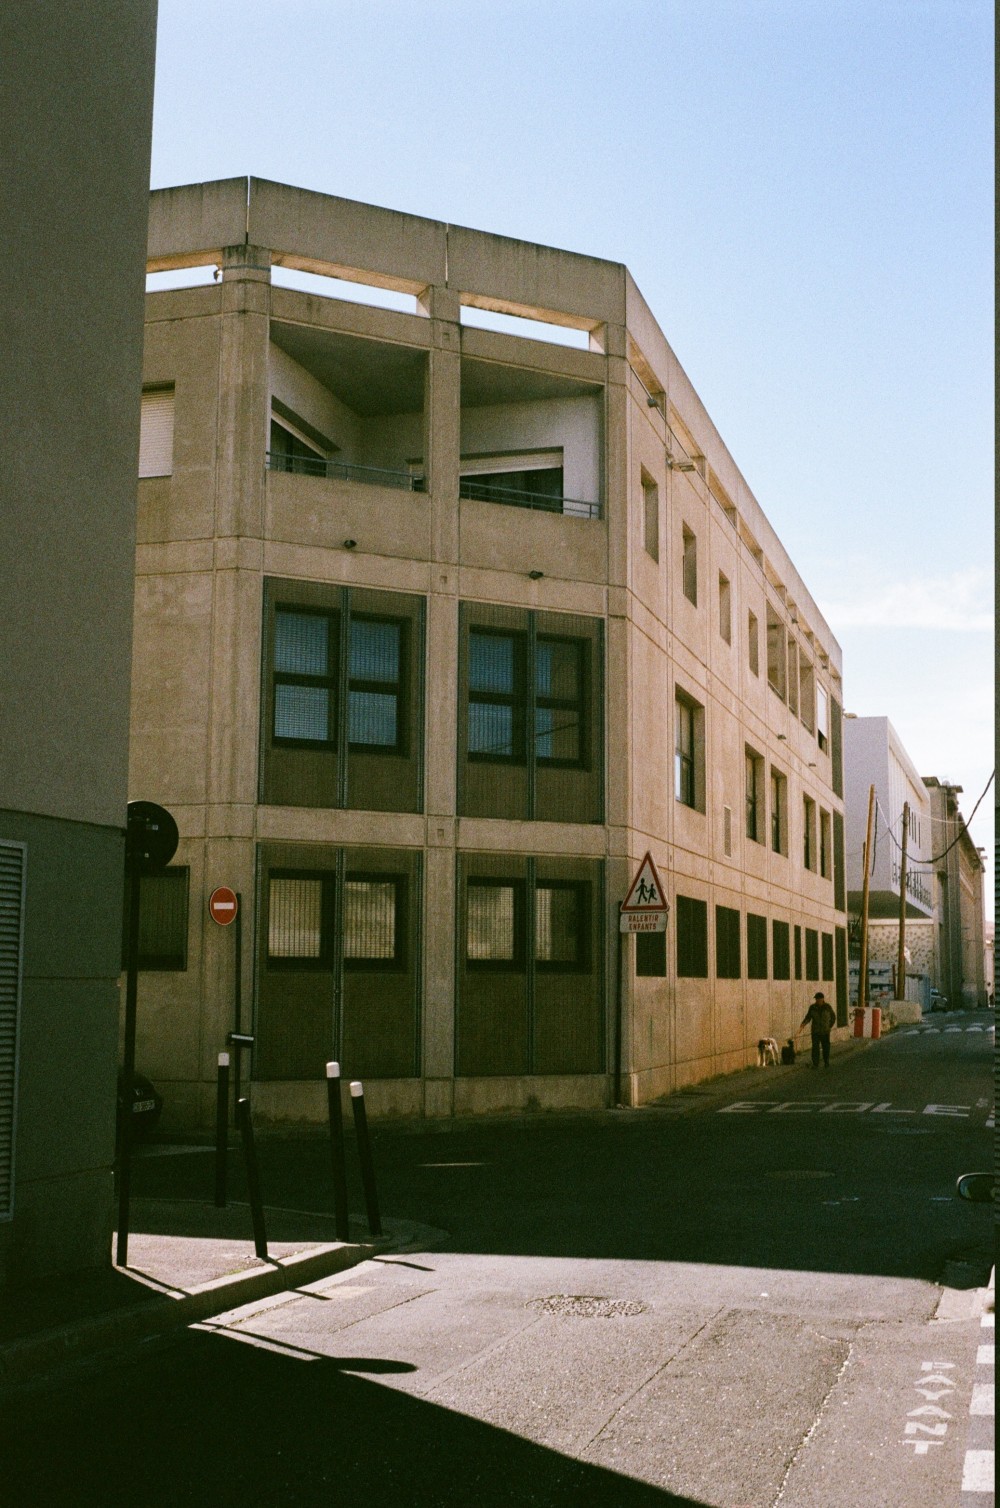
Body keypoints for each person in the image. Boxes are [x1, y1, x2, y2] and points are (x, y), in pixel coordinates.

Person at [799, 991, 836, 1068]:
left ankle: (826, 1062)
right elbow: (808, 1017)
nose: (817, 1000)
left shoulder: (827, 1007)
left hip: (825, 1031)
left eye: (818, 999)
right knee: (815, 1048)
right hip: (815, 1031)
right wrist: (803, 1023)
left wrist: (829, 1026)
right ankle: (815, 1064)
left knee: (826, 1047)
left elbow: (833, 1017)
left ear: (822, 999)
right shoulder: (812, 1007)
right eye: (816, 999)